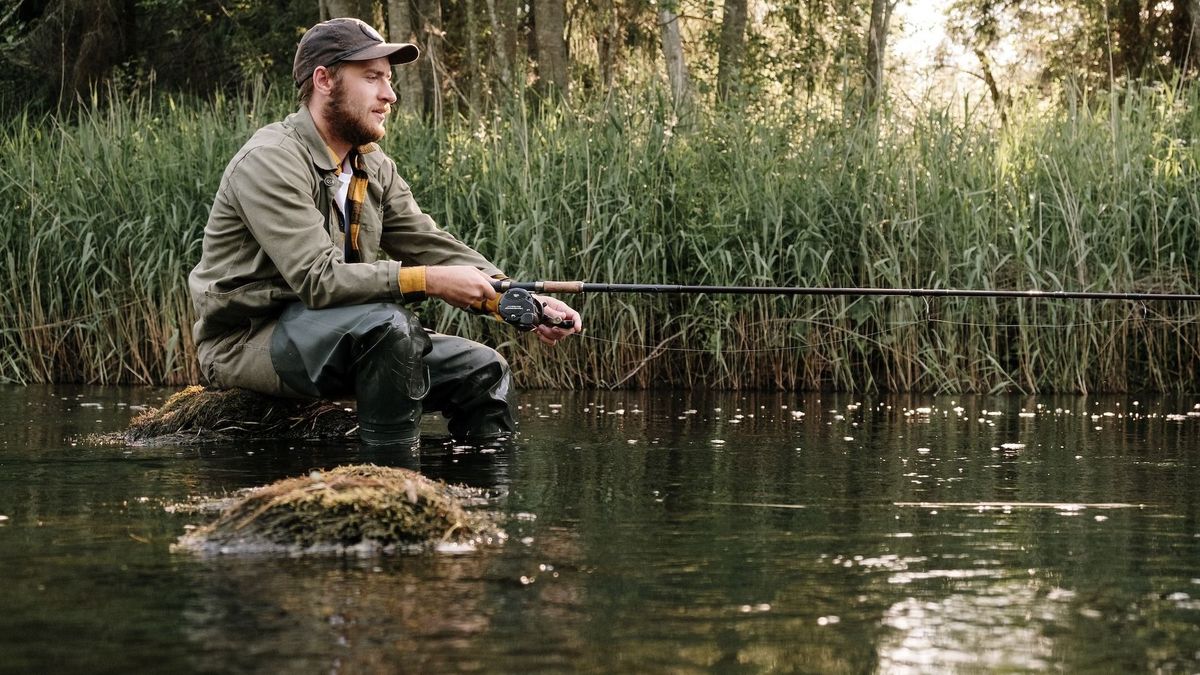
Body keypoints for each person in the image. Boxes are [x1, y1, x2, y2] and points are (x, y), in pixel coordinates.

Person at [187, 17, 581, 447]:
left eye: (389, 80)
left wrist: (516, 299)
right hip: (246, 340)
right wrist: (430, 282)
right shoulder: (270, 161)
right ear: (324, 80)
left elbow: (429, 244)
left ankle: (479, 506)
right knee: (390, 327)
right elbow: (318, 280)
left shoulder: (373, 165)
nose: (389, 95)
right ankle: (391, 485)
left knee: (484, 370)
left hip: (347, 333)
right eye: (373, 78)